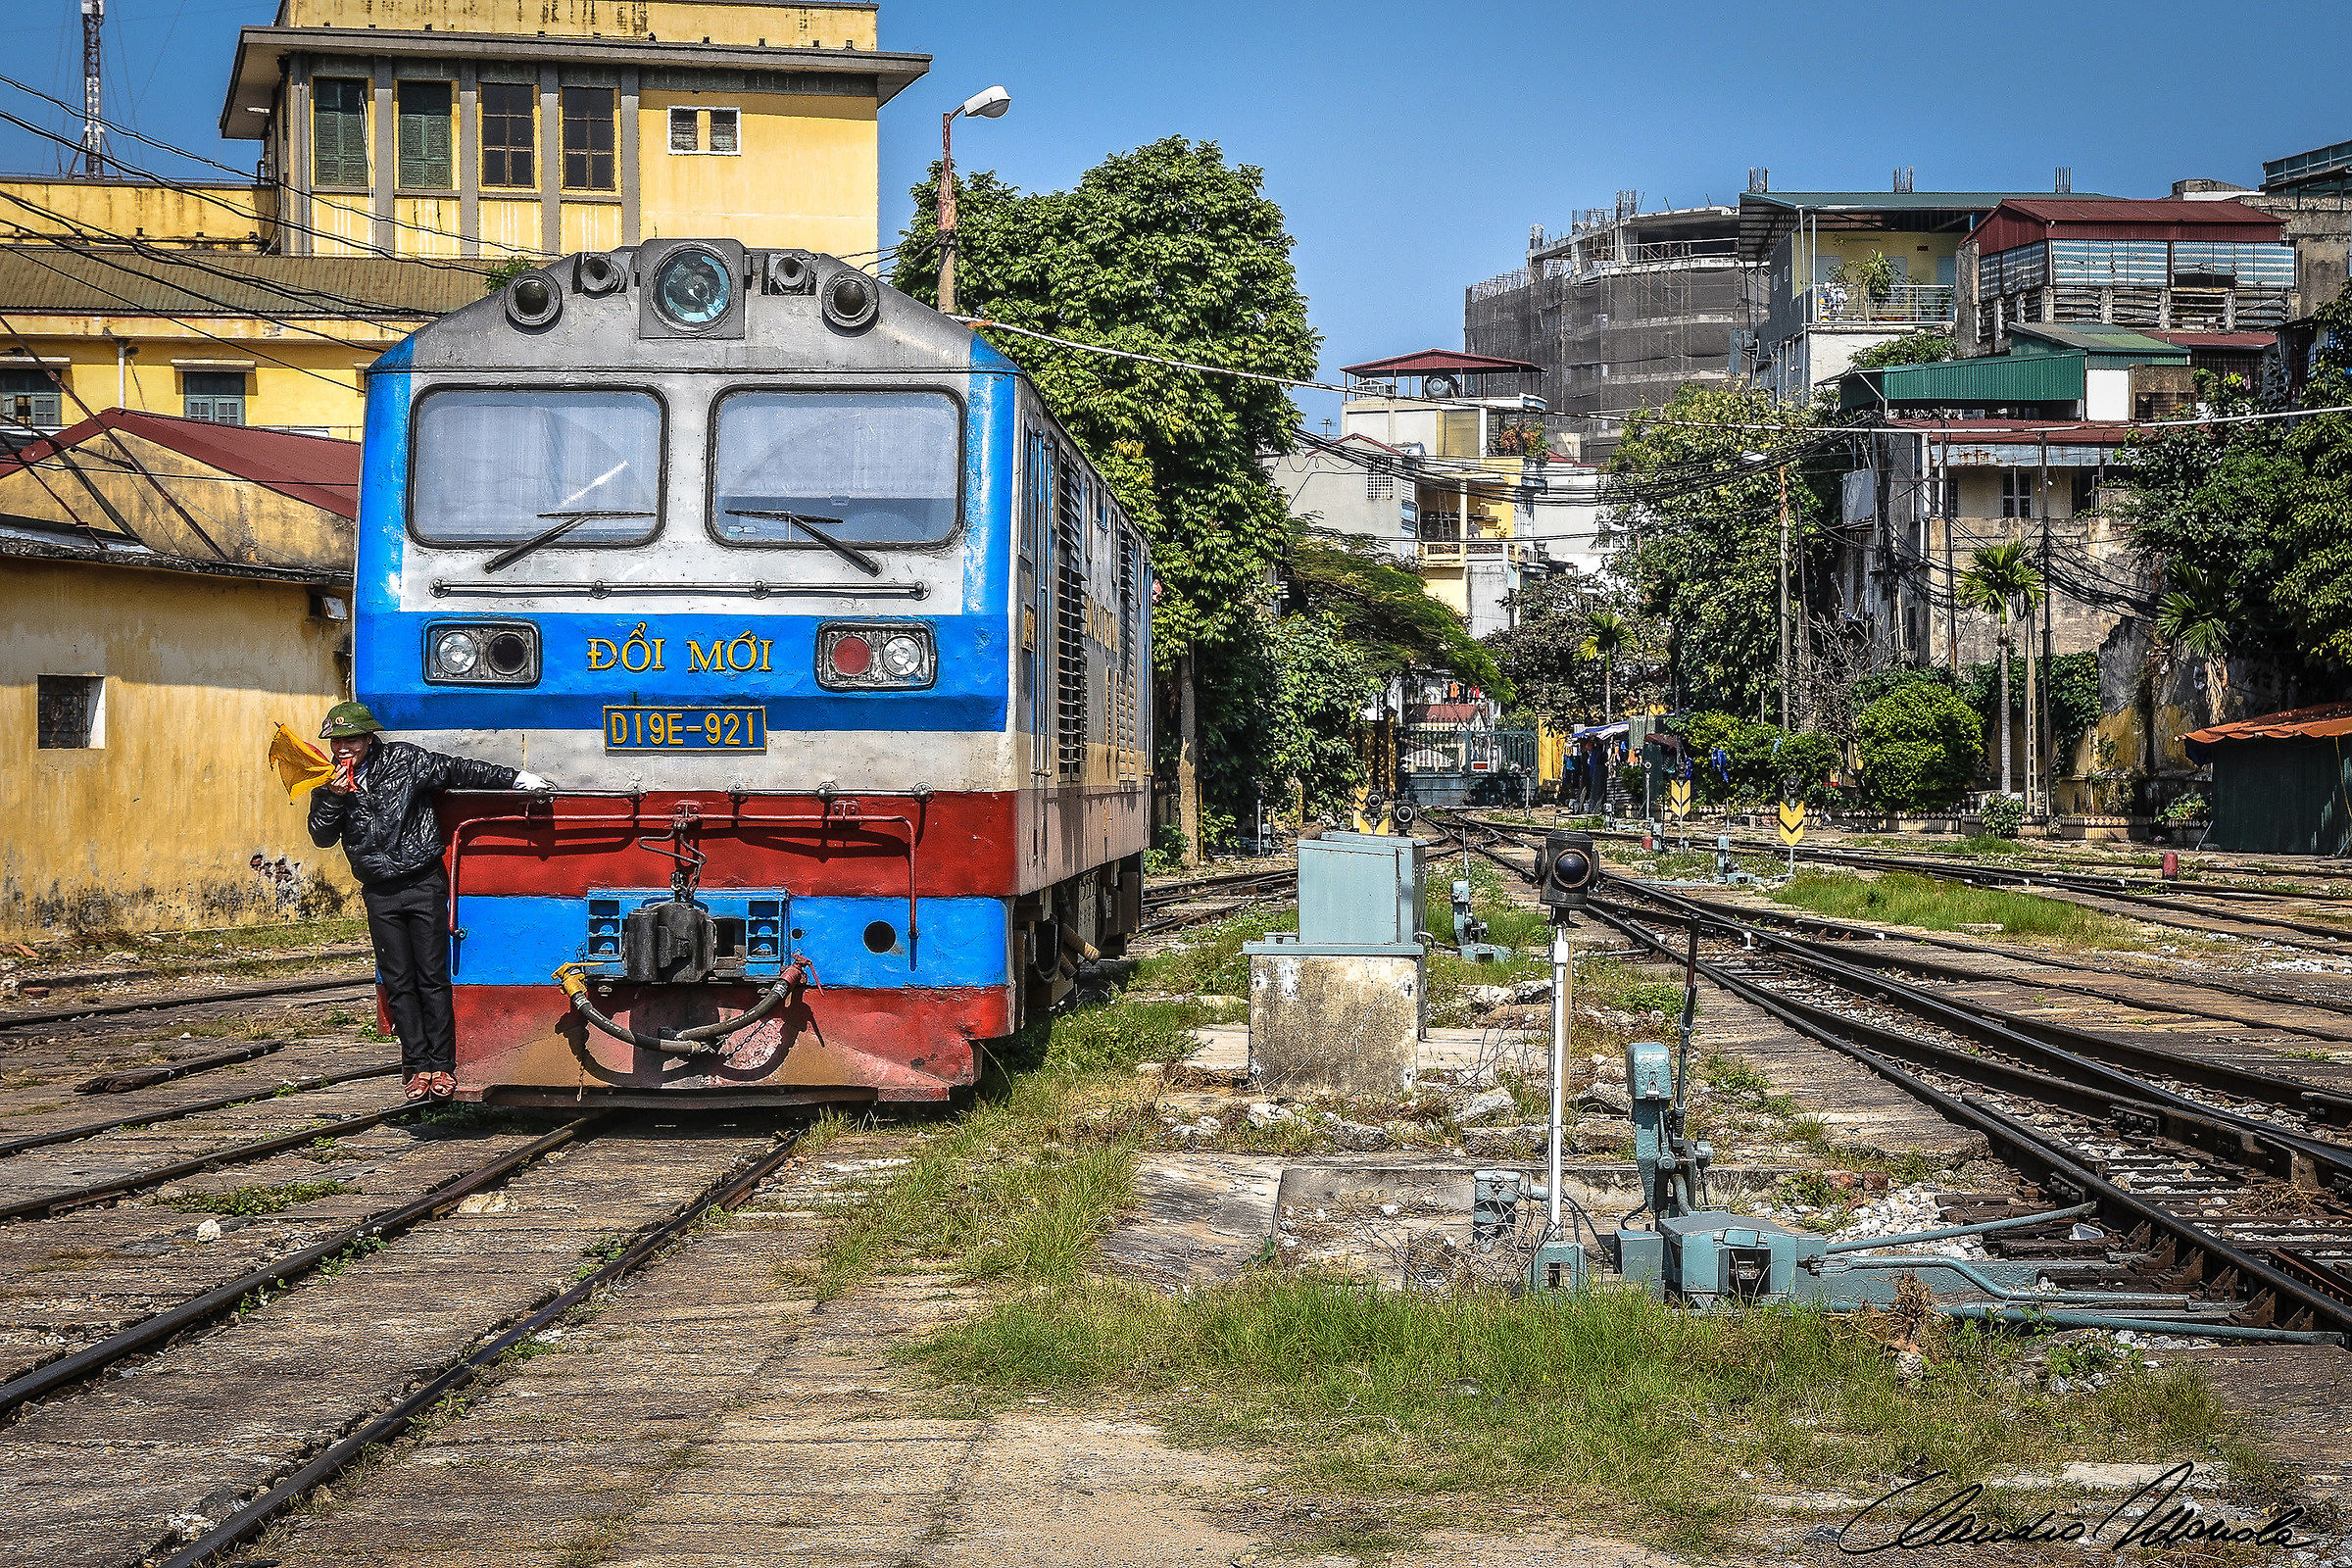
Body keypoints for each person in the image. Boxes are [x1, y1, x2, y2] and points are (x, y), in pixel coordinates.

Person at [307, 702, 551, 1102]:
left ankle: (442, 1066)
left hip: (422, 883)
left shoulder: (405, 760)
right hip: (379, 891)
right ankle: (416, 1068)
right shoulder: (327, 781)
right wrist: (335, 798)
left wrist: (517, 778)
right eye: (337, 740)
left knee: (432, 978)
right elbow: (320, 835)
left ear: (369, 738)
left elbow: (461, 769)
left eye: (351, 739)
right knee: (399, 981)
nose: (343, 748)